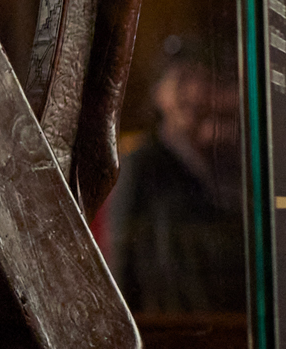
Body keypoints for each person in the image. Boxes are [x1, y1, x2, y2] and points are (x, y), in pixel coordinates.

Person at [100, 36, 243, 315]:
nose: (194, 93)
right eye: (182, 81)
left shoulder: (221, 165)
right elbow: (120, 256)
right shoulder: (141, 164)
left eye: (203, 81)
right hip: (166, 325)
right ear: (159, 95)